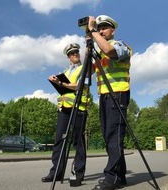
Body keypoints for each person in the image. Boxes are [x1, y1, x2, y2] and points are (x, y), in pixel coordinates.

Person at [87, 15, 132, 190]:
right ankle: (120, 176)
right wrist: (88, 45)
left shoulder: (120, 45)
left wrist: (92, 32)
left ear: (113, 30)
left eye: (104, 27)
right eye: (99, 27)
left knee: (114, 135)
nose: (101, 30)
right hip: (104, 96)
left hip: (118, 94)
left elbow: (109, 51)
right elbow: (87, 70)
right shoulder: (99, 49)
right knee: (109, 137)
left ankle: (112, 177)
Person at [42, 43, 89, 187]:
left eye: (76, 52)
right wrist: (57, 82)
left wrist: (61, 83)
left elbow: (81, 85)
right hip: (64, 109)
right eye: (72, 53)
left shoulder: (85, 68)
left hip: (78, 108)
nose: (75, 54)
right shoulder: (66, 71)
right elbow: (64, 90)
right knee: (59, 141)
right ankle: (56, 172)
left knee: (77, 141)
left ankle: (78, 174)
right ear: (68, 57)